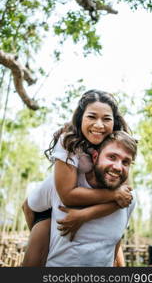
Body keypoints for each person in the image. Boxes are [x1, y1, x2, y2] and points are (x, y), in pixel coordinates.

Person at [22, 90, 133, 266]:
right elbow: (68, 195)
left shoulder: (117, 146)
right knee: (32, 213)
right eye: (92, 117)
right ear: (81, 118)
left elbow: (123, 198)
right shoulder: (69, 141)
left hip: (86, 194)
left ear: (114, 121)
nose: (99, 125)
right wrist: (113, 195)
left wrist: (84, 215)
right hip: (54, 195)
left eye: (106, 119)